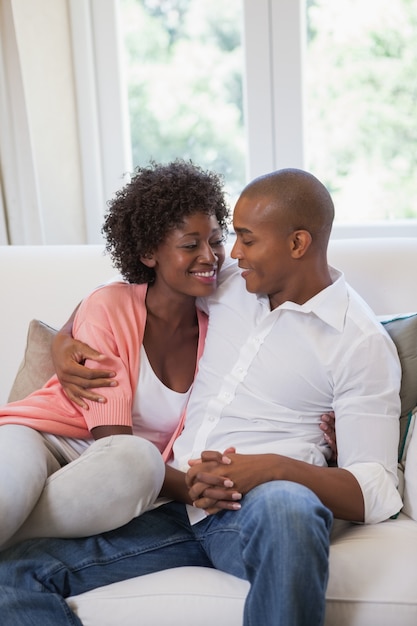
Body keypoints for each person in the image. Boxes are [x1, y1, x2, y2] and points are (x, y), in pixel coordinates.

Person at [0, 168, 402, 626]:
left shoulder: (359, 342)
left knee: (288, 504)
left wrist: (270, 468)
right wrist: (64, 337)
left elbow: (376, 489)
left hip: (260, 510)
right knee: (14, 572)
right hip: (176, 506)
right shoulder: (231, 282)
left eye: (247, 240)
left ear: (297, 244)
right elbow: (132, 291)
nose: (231, 253)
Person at [0, 160, 230, 550]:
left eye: (216, 240)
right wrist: (198, 487)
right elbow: (113, 438)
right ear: (147, 252)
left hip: (113, 481)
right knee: (133, 457)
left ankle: (15, 541)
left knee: (138, 464)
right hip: (40, 440)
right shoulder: (110, 306)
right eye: (190, 245)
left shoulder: (224, 325)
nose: (209, 256)